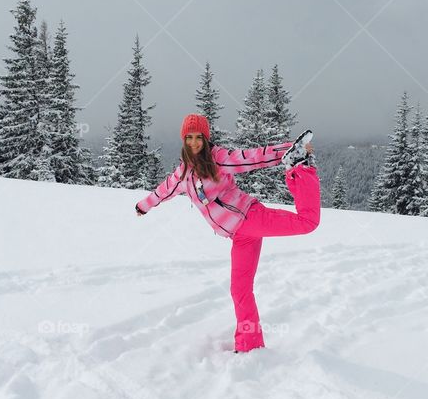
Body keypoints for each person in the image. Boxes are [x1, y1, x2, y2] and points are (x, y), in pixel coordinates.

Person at [135, 114, 320, 353]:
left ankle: (300, 167)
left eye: (198, 137)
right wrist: (143, 206)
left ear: (205, 138)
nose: (193, 142)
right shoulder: (183, 173)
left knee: (307, 222)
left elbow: (250, 159)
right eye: (188, 137)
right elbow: (164, 190)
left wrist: (288, 150)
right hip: (240, 236)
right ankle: (249, 346)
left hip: (249, 218)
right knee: (239, 289)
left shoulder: (218, 159)